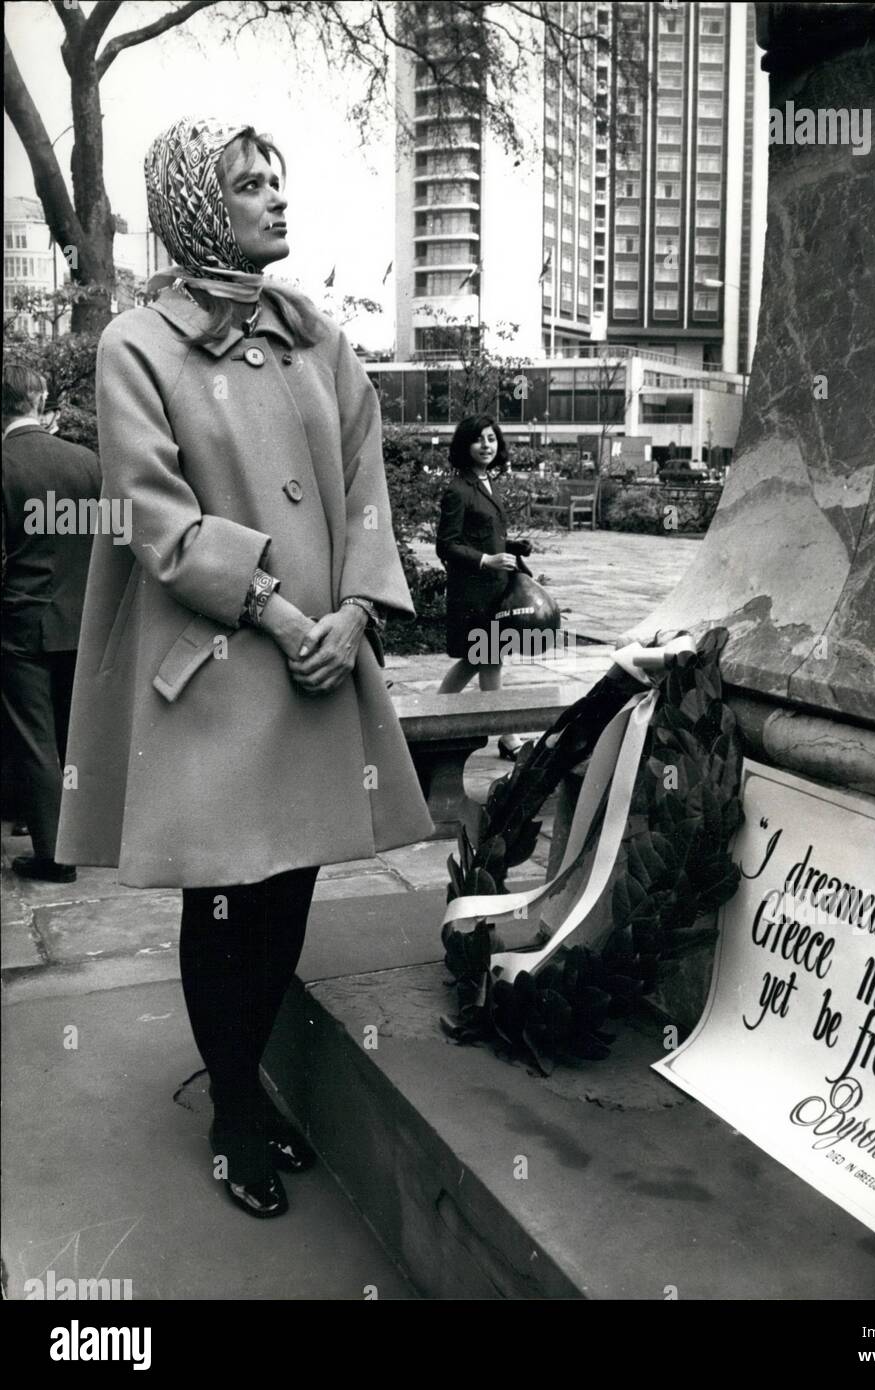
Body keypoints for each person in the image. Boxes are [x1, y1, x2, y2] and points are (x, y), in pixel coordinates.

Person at [54, 117, 433, 1220]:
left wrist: (357, 611)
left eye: (279, 177)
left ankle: (245, 1083)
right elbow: (151, 515)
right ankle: (230, 1106)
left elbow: (367, 487)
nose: (276, 197)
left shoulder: (319, 337)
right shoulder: (137, 343)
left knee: (288, 898)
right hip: (221, 673)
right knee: (227, 903)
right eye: (248, 183)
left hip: (322, 666)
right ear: (191, 206)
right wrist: (277, 610)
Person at [2, 364, 101, 882]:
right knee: (71, 735)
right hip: (83, 619)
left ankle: (54, 855)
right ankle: (82, 834)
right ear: (39, 401)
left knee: (36, 738)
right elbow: (115, 539)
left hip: (22, 625)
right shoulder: (86, 462)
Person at [435, 415, 533, 760]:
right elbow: (446, 545)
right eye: (479, 440)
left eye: (491, 439)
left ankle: (507, 737)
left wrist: (512, 546)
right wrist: (486, 560)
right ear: (465, 446)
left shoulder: (487, 483)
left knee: (490, 660)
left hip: (493, 590)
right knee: (477, 659)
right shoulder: (457, 489)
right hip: (474, 591)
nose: (487, 445)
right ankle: (431, 720)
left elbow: (485, 534)